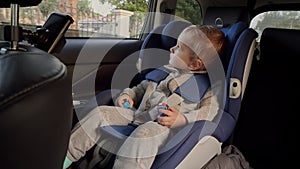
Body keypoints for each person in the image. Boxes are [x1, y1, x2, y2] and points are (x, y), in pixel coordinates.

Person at [63, 24, 225, 169]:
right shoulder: (165, 71)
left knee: (146, 134)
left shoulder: (209, 86)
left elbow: (210, 112)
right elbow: (140, 88)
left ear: (195, 64)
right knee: (101, 113)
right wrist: (128, 95)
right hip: (138, 115)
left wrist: (183, 119)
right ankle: (64, 159)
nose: (171, 49)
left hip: (166, 129)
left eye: (179, 47)